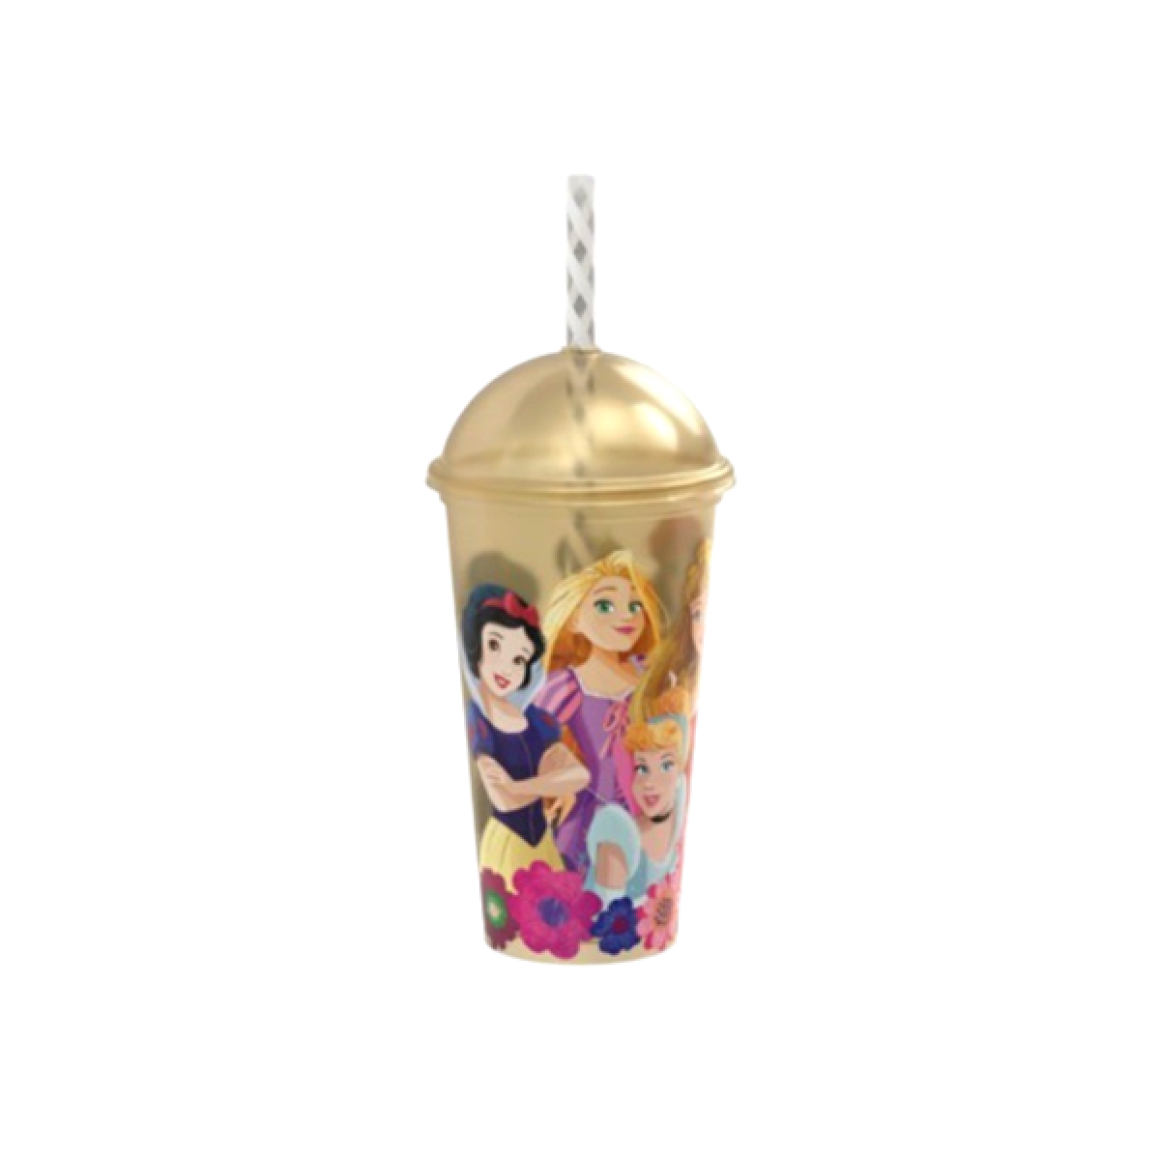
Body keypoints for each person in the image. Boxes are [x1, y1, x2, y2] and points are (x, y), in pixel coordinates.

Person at [535, 550, 666, 874]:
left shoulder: (650, 677)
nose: (626, 617)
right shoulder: (567, 685)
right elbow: (530, 743)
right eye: (605, 606)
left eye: (635, 606)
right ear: (574, 619)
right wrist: (556, 785)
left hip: (647, 809)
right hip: (590, 816)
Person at [461, 584, 589, 886]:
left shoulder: (538, 720)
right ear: (475, 646)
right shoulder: (478, 719)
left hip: (543, 844)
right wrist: (549, 783)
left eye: (519, 659)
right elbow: (503, 800)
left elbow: (579, 776)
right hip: (507, 843)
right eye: (495, 645)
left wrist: (519, 786)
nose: (506, 667)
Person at [585, 689, 690, 905]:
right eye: (642, 768)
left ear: (680, 771)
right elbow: (605, 915)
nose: (649, 782)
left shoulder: (677, 819)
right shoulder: (619, 839)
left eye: (666, 765)